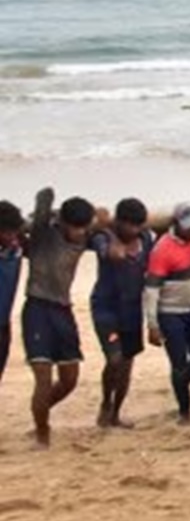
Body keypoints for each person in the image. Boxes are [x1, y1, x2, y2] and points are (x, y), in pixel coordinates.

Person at [22, 188, 96, 447]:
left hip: (63, 310)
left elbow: (106, 217)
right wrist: (48, 202)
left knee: (69, 380)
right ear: (63, 222)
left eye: (83, 228)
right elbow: (42, 201)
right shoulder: (43, 234)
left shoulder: (85, 236)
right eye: (75, 227)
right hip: (38, 308)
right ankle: (42, 431)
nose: (79, 232)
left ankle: (39, 412)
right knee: (43, 378)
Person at [88, 198, 153, 429]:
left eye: (138, 226)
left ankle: (115, 413)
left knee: (127, 364)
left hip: (132, 311)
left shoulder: (146, 239)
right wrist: (109, 228)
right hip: (107, 309)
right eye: (129, 226)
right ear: (119, 222)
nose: (134, 231)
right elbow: (115, 255)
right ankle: (106, 402)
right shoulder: (103, 238)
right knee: (114, 359)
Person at [144, 203, 190, 424]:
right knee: (179, 362)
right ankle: (184, 410)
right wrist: (152, 324)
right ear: (176, 226)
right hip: (170, 312)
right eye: (189, 228)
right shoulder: (162, 250)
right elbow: (151, 291)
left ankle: (181, 384)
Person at [0, 201, 24, 390]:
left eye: (14, 232)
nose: (12, 237)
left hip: (3, 324)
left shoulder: (16, 249)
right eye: (7, 232)